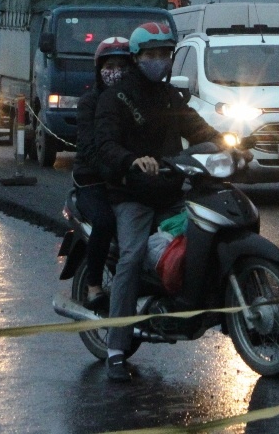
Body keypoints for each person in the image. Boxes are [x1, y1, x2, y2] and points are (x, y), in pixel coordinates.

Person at [89, 21, 224, 382]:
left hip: (170, 190)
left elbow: (198, 129)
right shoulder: (115, 98)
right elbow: (104, 145)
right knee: (131, 257)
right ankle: (117, 348)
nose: (160, 61)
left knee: (208, 235)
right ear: (136, 58)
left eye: (165, 54)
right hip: (131, 196)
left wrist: (228, 144)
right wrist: (131, 160)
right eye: (152, 55)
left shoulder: (169, 97)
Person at [71, 36, 130, 309]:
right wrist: (116, 168)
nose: (115, 71)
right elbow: (88, 148)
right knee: (105, 222)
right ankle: (94, 284)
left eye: (122, 64)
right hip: (92, 182)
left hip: (127, 179)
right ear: (99, 68)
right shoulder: (89, 103)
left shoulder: (134, 100)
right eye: (110, 65)